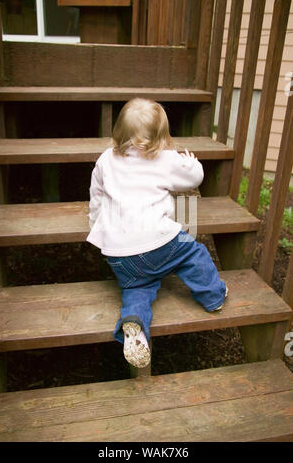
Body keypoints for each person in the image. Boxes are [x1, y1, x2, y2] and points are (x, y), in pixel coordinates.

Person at [87, 98, 227, 369]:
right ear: (161, 136)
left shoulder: (105, 159)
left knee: (138, 286)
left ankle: (134, 323)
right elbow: (194, 179)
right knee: (193, 252)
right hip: (159, 241)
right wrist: (190, 163)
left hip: (119, 254)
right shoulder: (164, 158)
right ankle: (213, 296)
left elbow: (97, 198)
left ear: (119, 131)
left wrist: (97, 226)